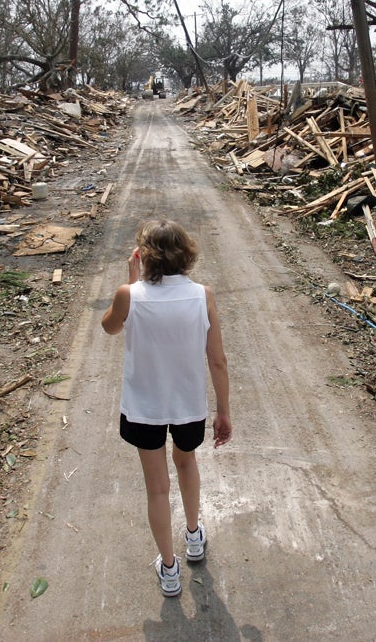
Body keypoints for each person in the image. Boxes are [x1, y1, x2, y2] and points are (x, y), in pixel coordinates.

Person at [101, 219, 231, 597]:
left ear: (144, 256)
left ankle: (170, 570)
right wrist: (223, 410)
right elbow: (218, 361)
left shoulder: (129, 294)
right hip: (189, 406)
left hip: (144, 408)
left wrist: (127, 281)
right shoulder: (202, 295)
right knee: (187, 463)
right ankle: (193, 535)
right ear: (186, 253)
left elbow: (110, 328)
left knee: (157, 490)